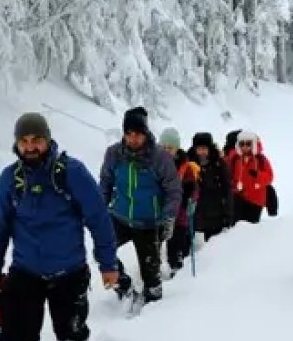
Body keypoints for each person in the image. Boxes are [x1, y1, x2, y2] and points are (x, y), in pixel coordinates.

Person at [0, 112, 120, 341]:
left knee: (72, 336)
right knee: (16, 337)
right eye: (24, 141)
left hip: (69, 272)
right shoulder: (11, 179)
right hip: (25, 272)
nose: (31, 147)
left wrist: (108, 264)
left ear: (48, 140)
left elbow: (98, 219)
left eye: (37, 140)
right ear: (17, 144)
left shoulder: (71, 173)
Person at [99, 107, 182, 303]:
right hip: (119, 217)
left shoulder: (160, 157)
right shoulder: (114, 154)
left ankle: (152, 310)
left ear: (146, 133)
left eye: (138, 134)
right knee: (102, 252)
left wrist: (168, 217)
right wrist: (99, 212)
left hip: (148, 223)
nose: (133, 139)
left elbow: (173, 190)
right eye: (129, 134)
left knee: (151, 277)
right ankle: (124, 287)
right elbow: (105, 184)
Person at [158, 128, 200, 274]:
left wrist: (191, 200)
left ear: (176, 148)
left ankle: (177, 269)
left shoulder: (186, 167)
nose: (166, 151)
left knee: (175, 244)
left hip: (180, 214)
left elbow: (195, 189)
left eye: (170, 148)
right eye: (163, 147)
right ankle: (153, 270)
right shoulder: (155, 164)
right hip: (159, 212)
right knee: (155, 243)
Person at [189, 132, 231, 241]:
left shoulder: (218, 164)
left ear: (209, 149)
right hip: (194, 212)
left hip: (214, 214)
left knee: (213, 246)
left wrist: (227, 213)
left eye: (204, 148)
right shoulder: (189, 164)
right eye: (199, 148)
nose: (202, 152)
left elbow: (227, 189)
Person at [228, 132, 274, 224]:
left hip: (256, 200)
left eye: (248, 143)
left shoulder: (261, 159)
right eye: (242, 144)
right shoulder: (235, 158)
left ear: (253, 144)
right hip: (239, 197)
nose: (245, 147)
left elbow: (270, 176)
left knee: (251, 227)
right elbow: (228, 173)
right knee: (236, 226)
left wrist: (258, 175)